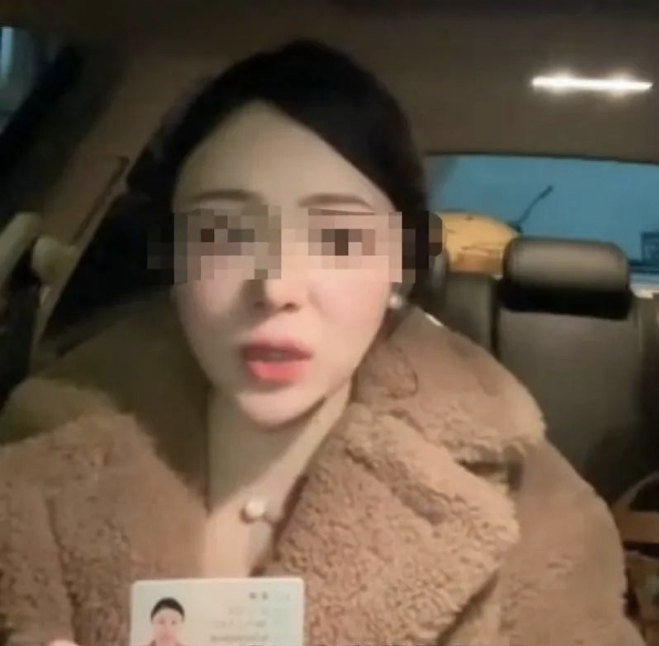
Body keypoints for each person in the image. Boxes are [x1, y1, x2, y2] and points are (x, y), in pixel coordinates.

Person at [0, 40, 643, 646]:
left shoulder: (536, 513)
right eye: (223, 233)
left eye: (338, 239)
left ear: (400, 267)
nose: (276, 287)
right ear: (173, 258)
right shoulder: (35, 456)